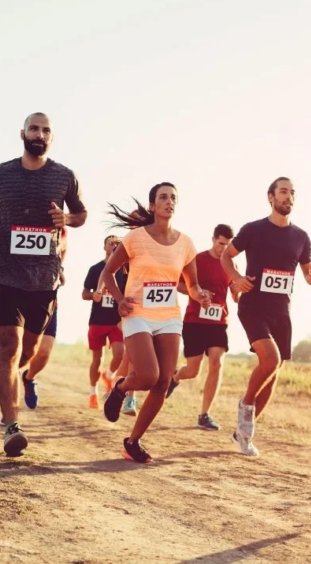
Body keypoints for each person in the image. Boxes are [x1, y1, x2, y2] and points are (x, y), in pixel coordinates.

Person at [0, 112, 87, 456]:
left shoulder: (65, 176)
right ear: (22, 134)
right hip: (5, 275)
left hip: (44, 280)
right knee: (9, 346)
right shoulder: (1, 173)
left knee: (28, 352)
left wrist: (67, 218)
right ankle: (11, 426)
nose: (39, 134)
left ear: (52, 137)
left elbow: (81, 214)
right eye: (34, 128)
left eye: (46, 130)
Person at [100, 182, 211, 463]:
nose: (169, 201)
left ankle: (132, 442)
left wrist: (200, 295)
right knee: (148, 376)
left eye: (173, 197)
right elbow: (108, 273)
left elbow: (192, 285)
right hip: (137, 312)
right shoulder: (135, 238)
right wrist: (118, 299)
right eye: (163, 197)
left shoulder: (186, 244)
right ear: (152, 205)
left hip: (169, 316)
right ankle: (120, 388)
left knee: (163, 381)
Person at [220, 177, 311, 457]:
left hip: (281, 311)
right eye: (283, 191)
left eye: (292, 193)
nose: (289, 197)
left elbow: (307, 272)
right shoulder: (253, 229)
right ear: (271, 197)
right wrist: (236, 278)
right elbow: (226, 256)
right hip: (253, 306)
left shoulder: (301, 237)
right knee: (271, 360)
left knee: (273, 371)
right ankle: (245, 409)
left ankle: (243, 433)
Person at [166, 224, 238, 430]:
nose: (223, 248)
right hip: (195, 322)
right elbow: (178, 284)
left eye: (227, 245)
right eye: (221, 244)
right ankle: (176, 377)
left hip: (218, 322)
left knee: (216, 363)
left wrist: (237, 290)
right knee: (192, 371)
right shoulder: (197, 260)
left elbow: (236, 295)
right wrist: (197, 293)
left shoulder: (231, 264)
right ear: (213, 239)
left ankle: (204, 415)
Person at [21, 227, 68, 409]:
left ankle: (28, 378)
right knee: (15, 349)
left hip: (47, 298)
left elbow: (61, 253)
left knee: (44, 351)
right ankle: (8, 406)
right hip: (16, 294)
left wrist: (59, 270)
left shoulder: (61, 230)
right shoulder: (20, 220)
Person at [82, 235, 128, 408]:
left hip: (116, 321)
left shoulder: (124, 271)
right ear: (104, 247)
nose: (114, 246)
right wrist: (93, 295)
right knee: (97, 359)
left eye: (117, 244)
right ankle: (93, 393)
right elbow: (84, 293)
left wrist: (123, 317)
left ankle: (108, 376)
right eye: (111, 243)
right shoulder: (96, 269)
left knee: (119, 353)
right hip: (98, 320)